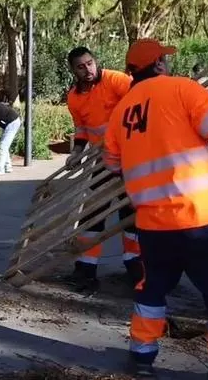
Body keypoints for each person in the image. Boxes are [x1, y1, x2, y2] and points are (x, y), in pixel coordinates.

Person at [103, 38, 208, 380]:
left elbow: (113, 162)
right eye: (164, 60)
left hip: (152, 223)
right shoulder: (184, 89)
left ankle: (141, 355)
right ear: (158, 64)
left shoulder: (122, 111)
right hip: (198, 217)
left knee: (152, 287)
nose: (168, 64)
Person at [64, 46, 143, 292]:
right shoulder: (74, 97)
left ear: (95, 61)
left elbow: (140, 107)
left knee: (130, 213)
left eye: (89, 63)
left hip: (130, 156)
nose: (87, 69)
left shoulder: (117, 80)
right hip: (101, 160)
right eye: (80, 66)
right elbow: (82, 128)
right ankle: (85, 269)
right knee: (92, 212)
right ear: (73, 70)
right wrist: (77, 151)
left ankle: (136, 267)